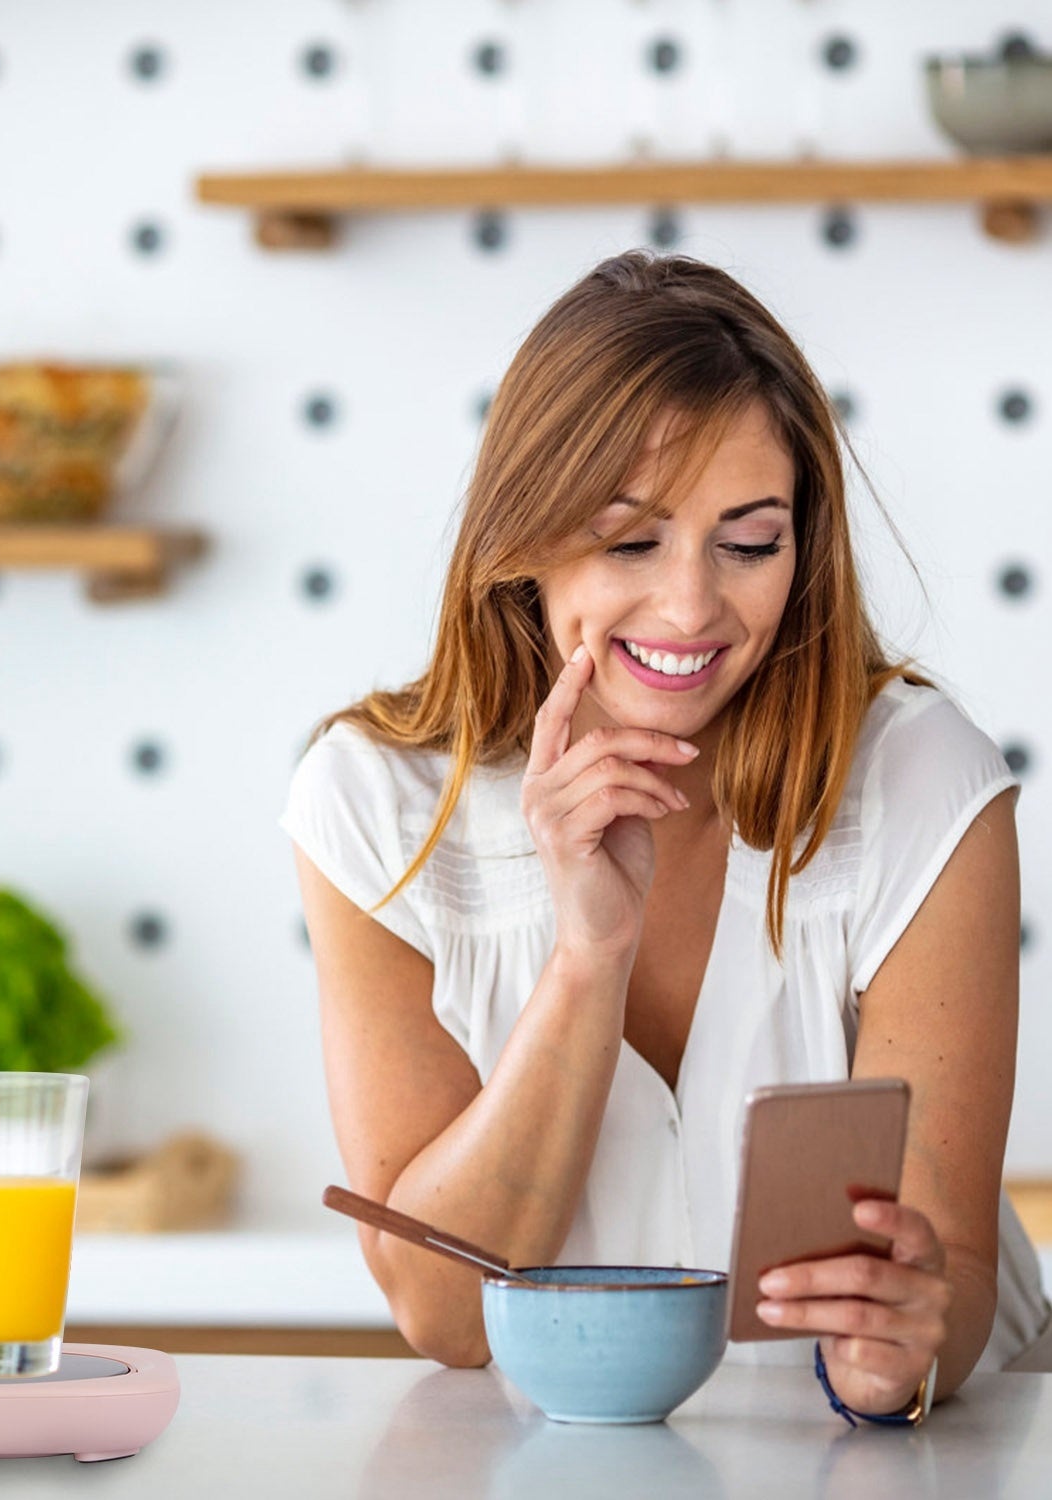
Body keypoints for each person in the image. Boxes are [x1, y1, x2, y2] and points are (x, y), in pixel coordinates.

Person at [281, 250, 1050, 1419]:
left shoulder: (921, 779)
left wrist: (902, 1353)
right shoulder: (374, 806)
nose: (693, 609)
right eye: (629, 542)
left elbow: (951, 1272)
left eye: (749, 544)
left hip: (921, 1457)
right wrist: (588, 955)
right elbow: (442, 1314)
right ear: (525, 539)